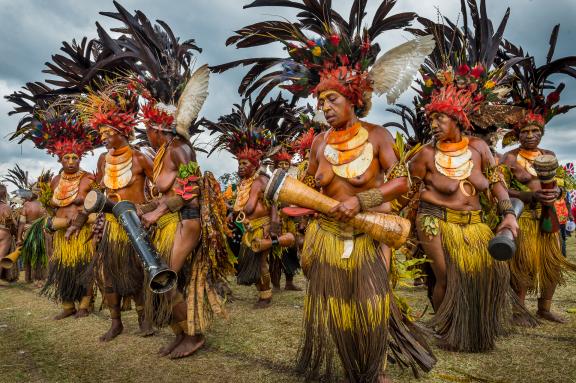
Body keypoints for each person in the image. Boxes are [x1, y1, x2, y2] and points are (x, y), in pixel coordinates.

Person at [216, 1, 437, 380]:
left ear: (354, 98)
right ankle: (353, 367)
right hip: (327, 237)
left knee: (371, 305)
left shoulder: (379, 136)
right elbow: (302, 188)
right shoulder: (318, 143)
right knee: (334, 308)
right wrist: (279, 196)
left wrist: (363, 199)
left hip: (369, 234)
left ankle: (376, 369)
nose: (325, 107)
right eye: (320, 101)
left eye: (331, 99)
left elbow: (403, 181)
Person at [100, 2, 234, 358]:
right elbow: (164, 192)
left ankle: (193, 335)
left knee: (166, 278)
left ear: (162, 127)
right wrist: (145, 207)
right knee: (160, 279)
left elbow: (192, 191)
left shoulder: (180, 149)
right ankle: (179, 332)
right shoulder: (161, 153)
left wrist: (160, 211)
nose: (146, 132)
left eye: (149, 128)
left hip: (187, 223)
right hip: (172, 221)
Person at [67, 77, 155, 341]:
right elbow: (100, 194)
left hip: (134, 223)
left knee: (136, 272)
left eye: (108, 133)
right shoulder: (103, 159)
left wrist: (145, 209)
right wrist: (82, 220)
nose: (103, 138)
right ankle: (116, 322)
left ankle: (143, 318)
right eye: (102, 133)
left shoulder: (140, 157)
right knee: (107, 275)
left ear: (123, 132)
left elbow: (160, 189)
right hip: (109, 225)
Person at [499, 23, 576, 323]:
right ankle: (519, 310)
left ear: (542, 132)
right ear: (518, 134)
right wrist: (527, 194)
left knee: (553, 264)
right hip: (525, 218)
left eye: (535, 130)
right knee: (523, 265)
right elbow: (502, 191)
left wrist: (554, 193)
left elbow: (560, 186)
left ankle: (544, 308)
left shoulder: (550, 156)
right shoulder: (509, 158)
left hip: (549, 218)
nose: (530, 134)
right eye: (525, 130)